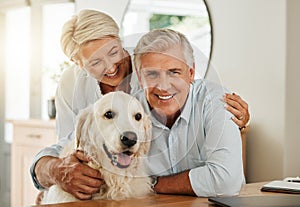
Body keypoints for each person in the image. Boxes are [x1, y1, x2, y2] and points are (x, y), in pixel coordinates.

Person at [30, 9, 249, 200]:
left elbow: (226, 180)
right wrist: (53, 171)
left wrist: (228, 119)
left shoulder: (156, 87)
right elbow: (69, 147)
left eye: (114, 52)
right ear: (78, 65)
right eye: (95, 62)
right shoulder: (75, 86)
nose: (110, 67)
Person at [133, 28, 244, 196]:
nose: (163, 86)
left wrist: (152, 184)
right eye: (152, 74)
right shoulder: (126, 110)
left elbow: (226, 181)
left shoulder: (216, 100)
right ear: (140, 79)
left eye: (174, 72)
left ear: (191, 73)